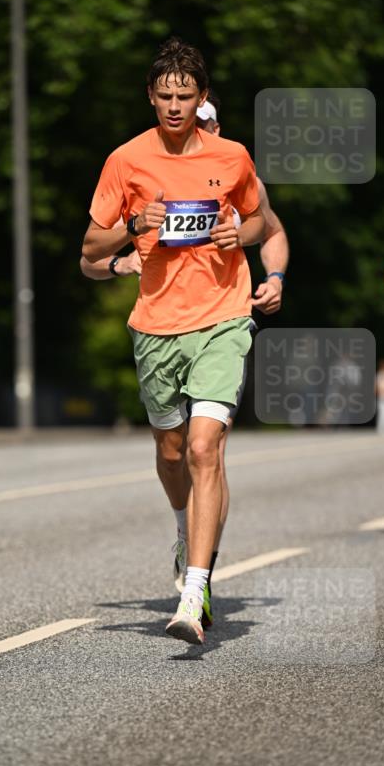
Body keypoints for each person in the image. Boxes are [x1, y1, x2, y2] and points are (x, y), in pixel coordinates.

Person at [80, 87, 288, 628]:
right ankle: (184, 528)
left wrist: (270, 273)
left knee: (204, 449)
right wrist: (131, 236)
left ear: (203, 108)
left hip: (224, 315)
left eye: (192, 104)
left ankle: (194, 593)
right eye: (168, 98)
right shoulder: (130, 162)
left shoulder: (234, 161)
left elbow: (267, 226)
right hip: (156, 326)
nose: (185, 113)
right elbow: (90, 255)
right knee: (172, 452)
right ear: (153, 99)